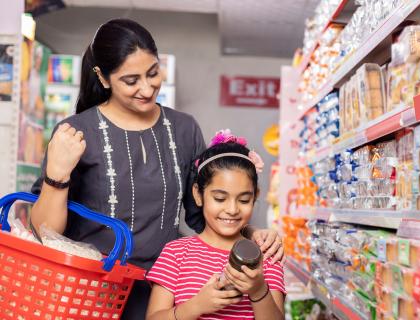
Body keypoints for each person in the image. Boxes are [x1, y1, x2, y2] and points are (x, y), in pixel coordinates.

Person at [29, 19, 284, 319]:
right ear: (104, 77)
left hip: (158, 294)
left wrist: (253, 233)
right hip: (86, 294)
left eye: (153, 73)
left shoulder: (183, 129)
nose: (147, 88)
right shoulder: (75, 132)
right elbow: (43, 232)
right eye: (131, 80)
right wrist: (56, 176)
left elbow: (202, 210)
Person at [146, 131, 285, 320]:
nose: (232, 209)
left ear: (255, 196)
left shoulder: (266, 256)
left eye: (244, 200)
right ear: (198, 194)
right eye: (220, 198)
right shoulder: (176, 253)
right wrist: (196, 306)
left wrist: (258, 289)